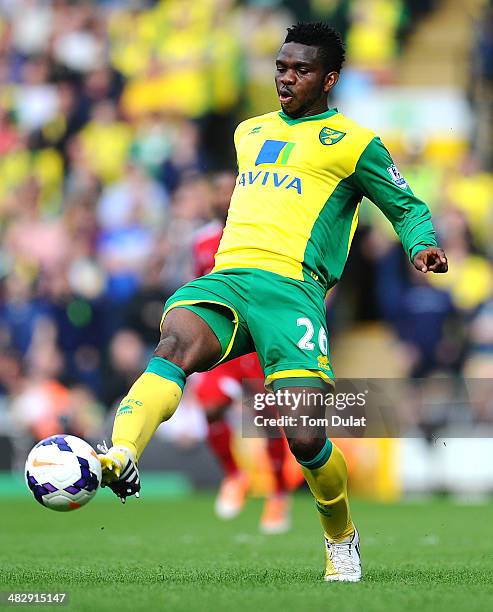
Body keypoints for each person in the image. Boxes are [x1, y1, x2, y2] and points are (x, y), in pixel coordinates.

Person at [98, 22, 448, 582]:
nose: (286, 77)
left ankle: (341, 538)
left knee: (305, 436)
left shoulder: (355, 143)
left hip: (293, 292)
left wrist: (422, 243)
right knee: (174, 342)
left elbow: (405, 204)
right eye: (282, 66)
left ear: (330, 78)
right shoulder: (249, 132)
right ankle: (120, 454)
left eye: (301, 69)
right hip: (229, 276)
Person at [192, 171, 292, 533]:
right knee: (209, 405)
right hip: (222, 345)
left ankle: (279, 496)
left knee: (267, 421)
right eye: (217, 192)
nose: (223, 198)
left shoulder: (260, 236)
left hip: (256, 340)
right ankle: (234, 476)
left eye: (229, 191)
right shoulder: (201, 241)